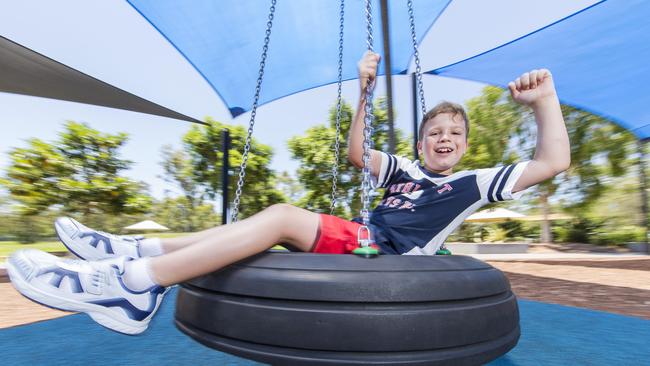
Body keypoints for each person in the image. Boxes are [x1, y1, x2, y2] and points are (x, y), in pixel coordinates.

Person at [6, 52, 570, 335]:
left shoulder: (471, 183)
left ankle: (134, 289)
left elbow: (552, 161)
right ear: (421, 141)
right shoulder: (400, 169)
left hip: (393, 257)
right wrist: (363, 91)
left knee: (278, 216)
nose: (443, 139)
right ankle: (136, 249)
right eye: (434, 133)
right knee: (246, 235)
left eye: (453, 135)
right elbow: (357, 153)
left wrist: (544, 101)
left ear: (465, 145)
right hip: (362, 241)